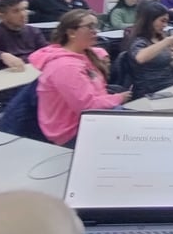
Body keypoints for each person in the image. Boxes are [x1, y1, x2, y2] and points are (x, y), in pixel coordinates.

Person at [31, 10, 131, 147]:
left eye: (96, 26)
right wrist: (118, 98)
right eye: (90, 27)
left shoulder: (84, 54)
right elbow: (87, 107)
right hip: (73, 132)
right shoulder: (65, 66)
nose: (95, 31)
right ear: (72, 33)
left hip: (93, 118)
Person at [125, 2, 173, 99]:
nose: (165, 25)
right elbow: (140, 58)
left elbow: (168, 64)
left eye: (167, 21)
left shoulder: (159, 38)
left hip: (168, 85)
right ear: (150, 20)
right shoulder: (139, 41)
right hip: (150, 91)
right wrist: (167, 41)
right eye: (162, 21)